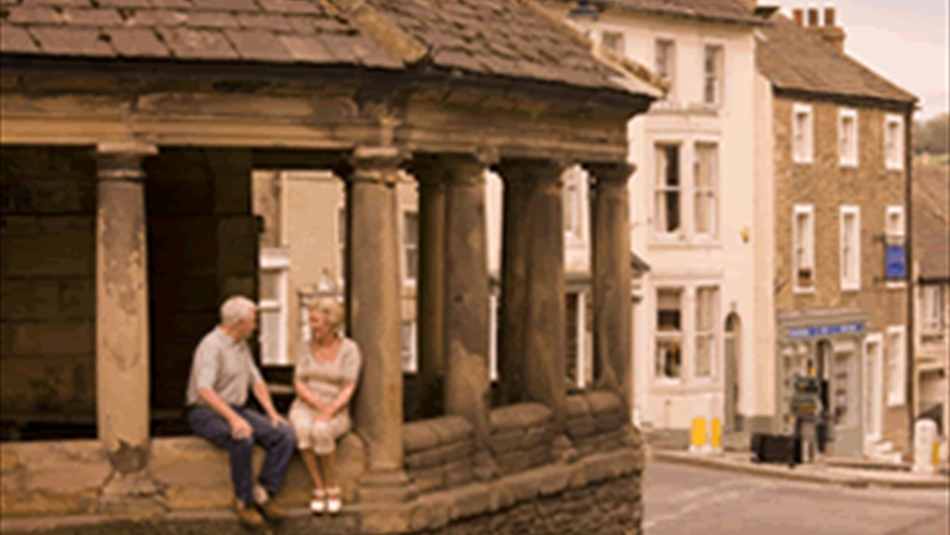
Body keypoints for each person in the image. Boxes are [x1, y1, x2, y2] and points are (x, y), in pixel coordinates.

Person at [185, 296, 295, 528]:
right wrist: (234, 419)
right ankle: (243, 502)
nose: (255, 326)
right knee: (243, 437)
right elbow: (204, 390)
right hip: (206, 411)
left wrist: (272, 414)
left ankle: (262, 492)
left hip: (237, 407)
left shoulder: (241, 345)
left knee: (284, 435)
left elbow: (257, 382)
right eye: (253, 321)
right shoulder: (211, 346)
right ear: (239, 322)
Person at [290, 297, 362, 515]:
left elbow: (349, 386)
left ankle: (331, 485)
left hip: (336, 406)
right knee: (302, 430)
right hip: (305, 404)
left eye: (316, 321)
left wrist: (330, 409)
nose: (311, 326)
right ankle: (319, 487)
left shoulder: (349, 349)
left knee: (321, 430)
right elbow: (299, 381)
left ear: (331, 324)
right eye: (310, 321)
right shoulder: (304, 346)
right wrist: (317, 404)